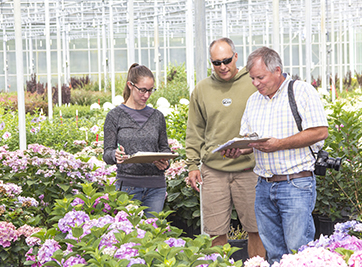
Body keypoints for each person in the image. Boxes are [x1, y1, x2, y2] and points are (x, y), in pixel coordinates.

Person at [222, 46, 329, 264]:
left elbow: (320, 132)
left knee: (299, 251)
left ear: (277, 70)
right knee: (272, 252)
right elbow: (251, 139)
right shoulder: (254, 101)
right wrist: (239, 149)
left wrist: (279, 144)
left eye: (260, 77)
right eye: (252, 78)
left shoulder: (301, 91)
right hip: (263, 186)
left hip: (296, 184)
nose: (255, 83)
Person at [185, 37, 266, 258]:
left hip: (249, 170)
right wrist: (192, 165)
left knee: (257, 230)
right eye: (216, 62)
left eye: (227, 60)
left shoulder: (253, 83)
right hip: (214, 172)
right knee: (214, 232)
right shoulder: (201, 89)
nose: (222, 67)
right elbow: (194, 131)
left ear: (236, 57)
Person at [103, 63, 171, 218]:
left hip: (156, 188)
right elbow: (107, 153)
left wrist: (165, 162)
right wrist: (115, 155)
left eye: (150, 90)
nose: (146, 95)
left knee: (152, 235)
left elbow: (164, 148)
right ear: (130, 85)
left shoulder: (157, 117)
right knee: (129, 237)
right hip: (128, 187)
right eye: (142, 90)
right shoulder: (115, 116)